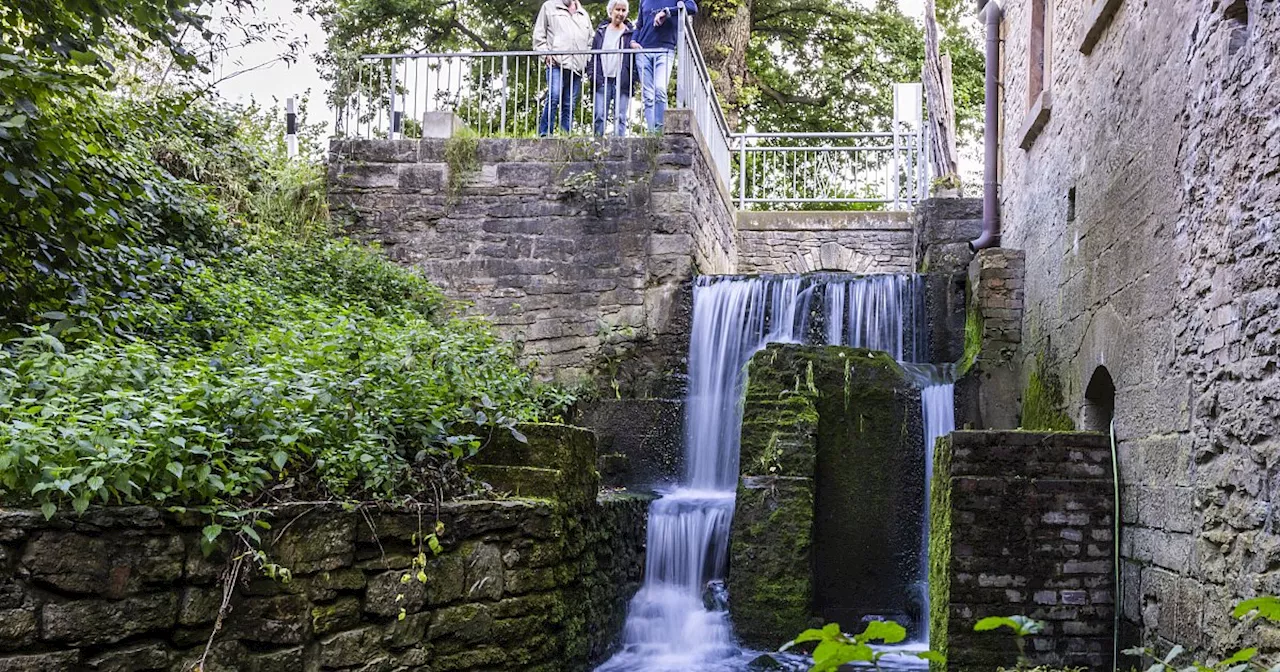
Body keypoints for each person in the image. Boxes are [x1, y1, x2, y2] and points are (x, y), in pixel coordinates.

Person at [630, 0, 697, 132]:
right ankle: (652, 133)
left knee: (660, 89)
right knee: (648, 95)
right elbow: (639, 25)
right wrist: (633, 40)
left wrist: (667, 12)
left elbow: (692, 7)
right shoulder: (644, 1)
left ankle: (661, 130)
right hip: (643, 50)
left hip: (665, 50)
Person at [533, 0, 594, 135]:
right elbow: (539, 35)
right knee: (554, 96)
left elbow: (591, 41)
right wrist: (545, 55)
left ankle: (566, 136)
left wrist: (586, 61)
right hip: (556, 62)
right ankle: (544, 134)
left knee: (569, 104)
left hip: (577, 67)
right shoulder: (549, 6)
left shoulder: (583, 14)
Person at [589, 0, 637, 137]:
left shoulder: (630, 33)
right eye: (618, 10)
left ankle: (619, 147)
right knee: (599, 114)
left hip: (622, 80)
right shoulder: (601, 31)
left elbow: (634, 60)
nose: (620, 13)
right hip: (602, 78)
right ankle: (597, 146)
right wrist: (592, 74)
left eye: (623, 10)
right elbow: (593, 55)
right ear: (611, 11)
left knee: (620, 116)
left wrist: (632, 77)